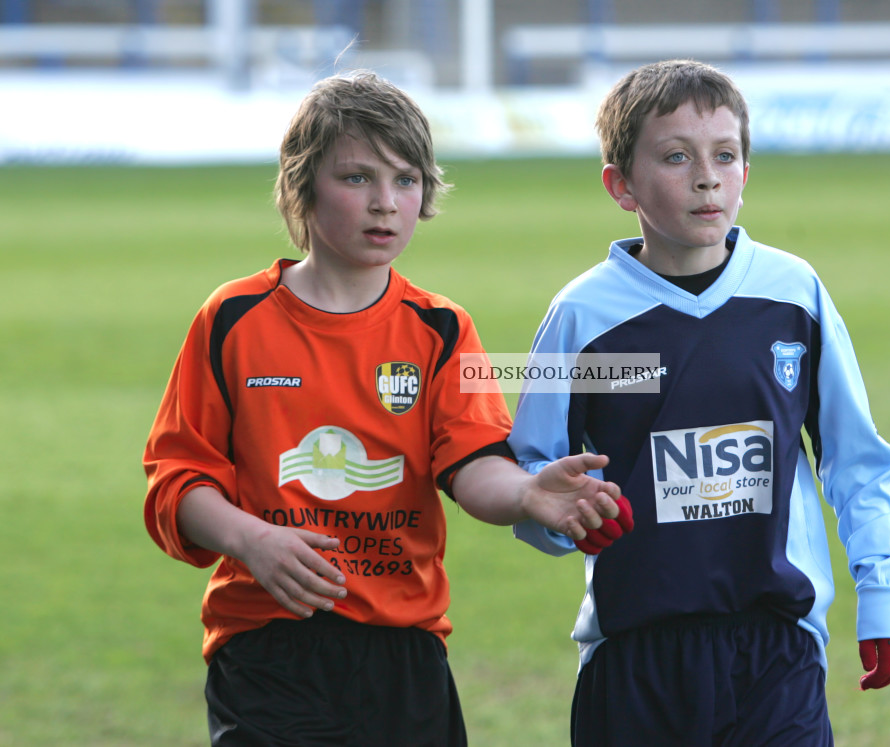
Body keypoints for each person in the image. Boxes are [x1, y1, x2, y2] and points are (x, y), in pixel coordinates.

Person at [142, 70, 626, 747]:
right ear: (302, 182)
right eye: (357, 178)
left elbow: (471, 465)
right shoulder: (232, 319)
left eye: (405, 180)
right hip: (265, 647)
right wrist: (252, 538)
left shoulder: (442, 329)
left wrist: (525, 493)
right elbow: (176, 483)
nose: (385, 203)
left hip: (404, 652)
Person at [508, 59, 890, 746]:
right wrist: (562, 518)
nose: (707, 176)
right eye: (676, 157)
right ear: (622, 185)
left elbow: (856, 460)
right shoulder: (584, 315)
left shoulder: (793, 294)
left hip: (776, 650)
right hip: (634, 657)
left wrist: (884, 592)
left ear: (745, 173)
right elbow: (534, 475)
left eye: (725, 155)